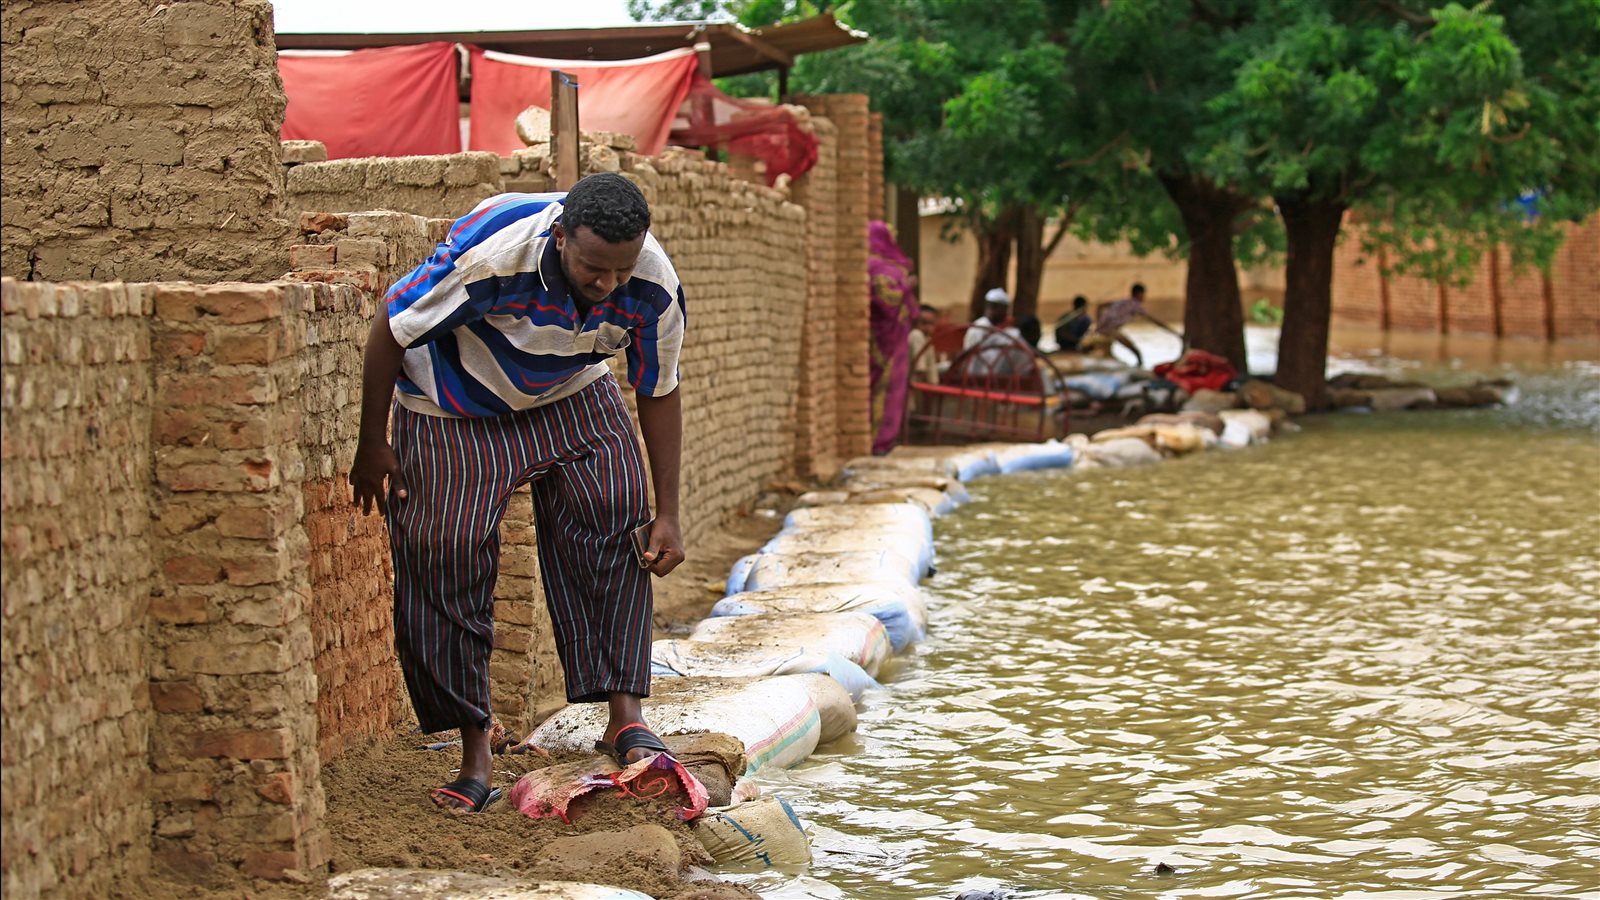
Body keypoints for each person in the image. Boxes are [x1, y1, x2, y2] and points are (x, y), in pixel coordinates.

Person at [348, 174, 687, 814]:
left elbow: (658, 387)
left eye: (620, 269)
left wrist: (667, 512)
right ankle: (477, 749)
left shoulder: (651, 281)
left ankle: (625, 717)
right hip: (453, 406)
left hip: (572, 395)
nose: (607, 283)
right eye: (592, 267)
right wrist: (374, 441)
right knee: (442, 551)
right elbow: (392, 327)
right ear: (559, 237)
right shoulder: (493, 255)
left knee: (614, 518)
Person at [868, 221, 920, 455]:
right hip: (885, 340)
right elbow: (889, 301)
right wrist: (907, 288)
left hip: (890, 340)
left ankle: (881, 440)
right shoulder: (880, 268)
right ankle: (877, 441)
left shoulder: (881, 267)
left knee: (890, 391)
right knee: (884, 390)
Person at [1092, 282, 1180, 368]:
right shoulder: (1135, 305)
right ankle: (1140, 366)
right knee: (1135, 350)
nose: (1144, 297)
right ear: (1139, 294)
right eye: (1143, 294)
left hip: (1102, 329)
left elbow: (1100, 306)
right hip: (1110, 330)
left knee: (1108, 351)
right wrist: (1172, 331)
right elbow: (1152, 320)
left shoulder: (1122, 301)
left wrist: (1099, 322)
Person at [962, 288, 1024, 376]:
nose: (1005, 314)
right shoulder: (979, 327)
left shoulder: (998, 328)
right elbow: (978, 360)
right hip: (980, 375)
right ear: (992, 307)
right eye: (1004, 309)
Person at [907, 304, 941, 384]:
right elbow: (920, 369)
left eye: (931, 323)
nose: (927, 327)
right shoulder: (916, 335)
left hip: (928, 386)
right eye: (924, 323)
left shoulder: (928, 340)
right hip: (916, 384)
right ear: (915, 323)